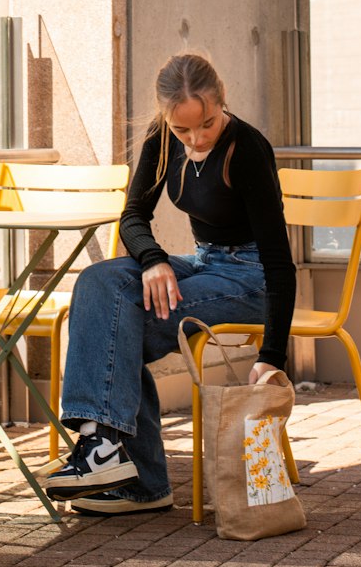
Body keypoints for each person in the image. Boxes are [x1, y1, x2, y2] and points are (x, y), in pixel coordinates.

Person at [44, 51, 296, 515]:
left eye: (208, 124)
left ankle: (128, 471)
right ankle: (110, 456)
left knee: (118, 325)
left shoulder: (247, 150)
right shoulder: (162, 138)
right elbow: (133, 217)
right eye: (184, 130)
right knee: (101, 281)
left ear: (223, 104)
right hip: (202, 264)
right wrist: (154, 261)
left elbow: (281, 262)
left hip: (252, 279)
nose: (196, 139)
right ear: (166, 118)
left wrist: (271, 356)